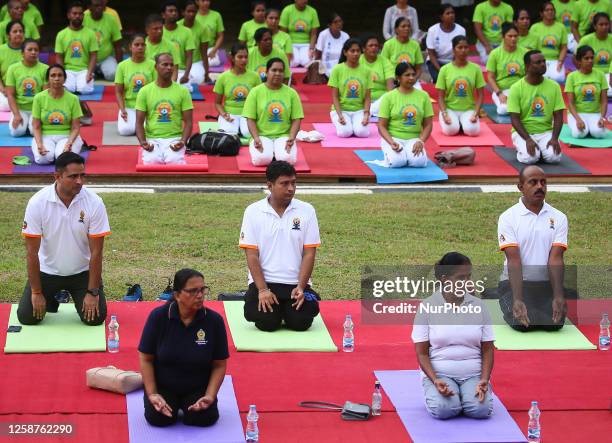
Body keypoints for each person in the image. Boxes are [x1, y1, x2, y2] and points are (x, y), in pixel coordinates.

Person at [18, 151, 109, 326]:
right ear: (57, 176)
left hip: (82, 273)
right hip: (47, 272)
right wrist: (36, 292)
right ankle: (50, 299)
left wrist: (93, 292)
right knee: (27, 318)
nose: (80, 181)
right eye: (73, 176)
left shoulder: (94, 202)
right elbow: (31, 253)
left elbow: (97, 252)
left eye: (83, 175)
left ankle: (68, 295)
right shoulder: (37, 202)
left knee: (95, 319)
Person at [139, 268, 228, 427]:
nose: (200, 295)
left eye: (203, 289)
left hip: (198, 386)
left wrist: (210, 395)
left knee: (204, 418)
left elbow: (219, 364)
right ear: (177, 295)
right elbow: (146, 358)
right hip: (164, 385)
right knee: (158, 419)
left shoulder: (214, 321)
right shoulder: (158, 317)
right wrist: (153, 394)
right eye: (193, 291)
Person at [239, 160, 321, 332]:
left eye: (293, 183)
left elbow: (309, 254)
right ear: (270, 185)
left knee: (301, 323)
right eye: (284, 184)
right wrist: (262, 290)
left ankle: (296, 303)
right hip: (265, 282)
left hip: (295, 285)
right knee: (267, 323)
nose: (291, 188)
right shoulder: (253, 211)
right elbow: (252, 255)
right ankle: (270, 305)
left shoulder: (307, 210)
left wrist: (301, 286)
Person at [412, 252, 494, 420]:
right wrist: (435, 380)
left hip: (473, 374)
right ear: (444, 279)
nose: (466, 283)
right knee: (444, 410)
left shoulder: (479, 306)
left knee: (480, 410)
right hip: (440, 373)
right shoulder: (427, 307)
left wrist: (484, 379)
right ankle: (436, 392)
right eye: (460, 278)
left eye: (468, 277)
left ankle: (465, 395)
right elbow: (422, 353)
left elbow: (488, 349)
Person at [497, 166, 570, 332]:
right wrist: (517, 299)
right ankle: (506, 298)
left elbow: (556, 259)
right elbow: (514, 260)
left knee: (554, 325)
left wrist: (558, 295)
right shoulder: (508, 218)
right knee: (523, 325)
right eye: (533, 182)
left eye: (543, 182)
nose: (540, 187)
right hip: (515, 284)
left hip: (545, 285)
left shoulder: (559, 217)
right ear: (521, 187)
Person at [508, 50, 565, 164]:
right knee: (530, 159)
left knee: (554, 158)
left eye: (544, 61)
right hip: (524, 133)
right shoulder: (516, 88)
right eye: (538, 62)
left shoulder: (554, 86)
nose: (543, 64)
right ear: (528, 66)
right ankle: (522, 150)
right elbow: (514, 119)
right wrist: (528, 139)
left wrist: (554, 138)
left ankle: (541, 151)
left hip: (545, 132)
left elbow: (559, 116)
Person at [243, 58, 303, 166]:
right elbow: (250, 119)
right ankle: (271, 153)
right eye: (274, 70)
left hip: (283, 135)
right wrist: (256, 138)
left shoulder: (292, 93)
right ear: (266, 72)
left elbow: (296, 119)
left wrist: (291, 138)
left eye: (280, 71)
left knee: (288, 160)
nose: (277, 73)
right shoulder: (255, 92)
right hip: (262, 136)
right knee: (261, 160)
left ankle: (276, 153)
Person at [136, 53, 193, 165]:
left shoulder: (183, 91)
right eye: (165, 64)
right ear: (156, 67)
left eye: (172, 65)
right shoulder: (144, 91)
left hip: (174, 138)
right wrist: (143, 142)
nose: (169, 68)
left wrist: (182, 141)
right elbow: (139, 123)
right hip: (152, 139)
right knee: (152, 162)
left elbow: (189, 122)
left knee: (174, 162)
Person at [377, 63, 432, 168]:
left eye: (413, 74)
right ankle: (395, 154)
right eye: (407, 75)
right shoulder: (388, 97)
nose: (411, 78)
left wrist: (421, 141)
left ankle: (408, 155)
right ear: (398, 78)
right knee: (397, 162)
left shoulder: (423, 96)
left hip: (414, 138)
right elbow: (381, 126)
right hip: (394, 138)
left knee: (418, 163)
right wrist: (391, 142)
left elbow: (428, 124)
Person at [30, 64, 84, 164]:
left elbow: (76, 127)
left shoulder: (73, 99)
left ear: (64, 78)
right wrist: (39, 144)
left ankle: (71, 147)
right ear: (48, 79)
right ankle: (50, 151)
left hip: (67, 136)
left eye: (60, 75)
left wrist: (69, 143)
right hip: (45, 135)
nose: (56, 78)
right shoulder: (39, 98)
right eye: (53, 75)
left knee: (63, 159)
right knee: (43, 159)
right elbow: (36, 126)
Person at [436, 35, 485, 137]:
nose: (463, 50)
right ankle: (456, 124)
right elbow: (440, 96)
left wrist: (476, 113)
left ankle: (463, 124)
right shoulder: (444, 69)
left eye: (466, 47)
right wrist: (444, 113)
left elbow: (480, 95)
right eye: (460, 47)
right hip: (449, 109)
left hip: (468, 109)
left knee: (472, 132)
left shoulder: (476, 69)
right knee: (451, 131)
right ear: (454, 50)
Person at [328, 38, 372, 138]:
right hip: (341, 110)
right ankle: (346, 124)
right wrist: (340, 115)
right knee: (344, 133)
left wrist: (366, 114)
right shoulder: (337, 69)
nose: (356, 54)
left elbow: (368, 97)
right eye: (352, 51)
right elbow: (335, 97)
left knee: (362, 133)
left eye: (358, 51)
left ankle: (354, 124)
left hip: (359, 110)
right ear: (345, 52)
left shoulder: (367, 71)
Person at [214, 42, 260, 138]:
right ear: (232, 58)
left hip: (248, 113)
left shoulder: (255, 76)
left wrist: (255, 116)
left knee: (248, 134)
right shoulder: (223, 77)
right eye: (240, 57)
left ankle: (242, 128)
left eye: (246, 57)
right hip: (230, 114)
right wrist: (224, 114)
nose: (244, 60)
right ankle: (236, 128)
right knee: (228, 134)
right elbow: (217, 103)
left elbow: (259, 100)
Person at [114, 34, 156, 136]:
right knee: (125, 131)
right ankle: (135, 125)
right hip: (129, 107)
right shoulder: (122, 66)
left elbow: (157, 88)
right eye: (136, 45)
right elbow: (118, 92)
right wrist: (122, 109)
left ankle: (139, 126)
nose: (140, 47)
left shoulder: (153, 64)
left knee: (150, 130)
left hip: (147, 107)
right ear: (130, 47)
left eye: (142, 45)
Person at [5, 38, 47, 137]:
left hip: (37, 109)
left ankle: (30, 126)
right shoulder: (13, 69)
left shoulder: (45, 69)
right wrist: (16, 115)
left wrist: (41, 114)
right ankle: (25, 124)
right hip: (20, 109)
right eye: (30, 49)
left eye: (36, 50)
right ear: (22, 53)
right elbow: (10, 94)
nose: (33, 52)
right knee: (17, 132)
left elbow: (45, 95)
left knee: (34, 132)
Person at [55, 2, 98, 95]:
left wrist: (89, 73)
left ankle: (79, 85)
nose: (77, 16)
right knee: (65, 89)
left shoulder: (90, 34)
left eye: (80, 14)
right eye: (74, 13)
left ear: (83, 15)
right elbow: (59, 57)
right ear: (69, 15)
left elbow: (94, 56)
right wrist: (62, 73)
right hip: (68, 70)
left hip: (84, 70)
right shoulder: (61, 34)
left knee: (84, 89)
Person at [565, 45, 608, 138]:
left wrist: (602, 118)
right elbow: (570, 104)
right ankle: (585, 128)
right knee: (579, 134)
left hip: (595, 113)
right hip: (577, 114)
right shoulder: (571, 76)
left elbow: (604, 101)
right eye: (586, 58)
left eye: (592, 58)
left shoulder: (600, 75)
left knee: (598, 133)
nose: (590, 61)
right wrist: (578, 119)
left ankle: (591, 128)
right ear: (579, 60)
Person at [486, 23, 527, 115]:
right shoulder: (495, 54)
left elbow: (529, 75)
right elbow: (490, 77)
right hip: (502, 90)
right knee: (503, 110)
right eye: (510, 36)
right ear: (503, 36)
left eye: (515, 36)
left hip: (521, 90)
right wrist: (499, 93)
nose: (513, 39)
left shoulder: (525, 52)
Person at [426, 4, 466, 83]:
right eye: (448, 13)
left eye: (452, 13)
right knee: (439, 79)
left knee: (458, 80)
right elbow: (431, 54)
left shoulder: (461, 30)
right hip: (436, 63)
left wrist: (452, 68)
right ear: (441, 17)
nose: (451, 15)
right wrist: (441, 70)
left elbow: (461, 52)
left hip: (454, 62)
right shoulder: (432, 30)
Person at [84, 0, 122, 81]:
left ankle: (99, 72)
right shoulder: (83, 17)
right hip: (88, 58)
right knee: (83, 77)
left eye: (101, 6)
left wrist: (120, 67)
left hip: (106, 58)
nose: (99, 8)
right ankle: (97, 72)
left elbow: (118, 45)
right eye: (96, 6)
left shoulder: (111, 19)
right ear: (89, 8)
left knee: (114, 74)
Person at [161, 1, 195, 92]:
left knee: (184, 90)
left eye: (175, 11)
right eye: (170, 11)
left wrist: (186, 75)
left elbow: (189, 56)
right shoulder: (159, 31)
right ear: (163, 15)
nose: (174, 13)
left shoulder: (187, 32)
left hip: (180, 71)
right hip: (160, 69)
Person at [530, 2, 567, 83]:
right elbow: (532, 48)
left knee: (558, 78)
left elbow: (564, 47)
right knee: (540, 78)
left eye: (552, 10)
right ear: (541, 13)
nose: (550, 12)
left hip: (555, 60)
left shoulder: (561, 27)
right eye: (547, 10)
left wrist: (560, 62)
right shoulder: (534, 27)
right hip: (539, 60)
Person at [382, 18, 424, 87]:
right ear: (396, 30)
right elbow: (383, 66)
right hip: (393, 81)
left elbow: (418, 69)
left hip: (411, 80)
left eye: (408, 26)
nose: (407, 28)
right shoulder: (388, 44)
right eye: (403, 26)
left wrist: (414, 79)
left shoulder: (415, 45)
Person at [360, 34, 394, 118]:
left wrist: (390, 99)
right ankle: (372, 112)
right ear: (363, 48)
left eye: (376, 45)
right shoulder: (357, 61)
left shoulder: (385, 61)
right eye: (371, 45)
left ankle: (368, 112)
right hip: (362, 99)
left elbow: (390, 86)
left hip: (380, 100)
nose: (374, 48)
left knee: (389, 96)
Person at [578, 12, 612, 95]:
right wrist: (584, 73)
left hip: (609, 74)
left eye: (606, 24)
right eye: (601, 24)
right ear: (594, 26)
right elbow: (576, 58)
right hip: (592, 73)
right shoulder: (585, 40)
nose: (604, 27)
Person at [279, 0, 319, 68]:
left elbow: (314, 34)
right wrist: (286, 49)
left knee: (308, 62)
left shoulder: (312, 11)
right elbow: (283, 33)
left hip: (306, 44)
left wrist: (311, 49)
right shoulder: (287, 10)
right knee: (293, 62)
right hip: (291, 43)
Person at [473, 0, 514, 64]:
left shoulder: (508, 8)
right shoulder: (480, 7)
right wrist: (487, 46)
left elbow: (509, 29)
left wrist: (504, 45)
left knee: (507, 61)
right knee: (488, 61)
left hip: (502, 42)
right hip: (485, 43)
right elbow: (478, 29)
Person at [179, 0, 209, 86]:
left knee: (199, 79)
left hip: (195, 63)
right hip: (178, 64)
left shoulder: (202, 28)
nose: (191, 14)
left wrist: (206, 73)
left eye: (193, 11)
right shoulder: (176, 26)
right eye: (188, 11)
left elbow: (204, 53)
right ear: (183, 12)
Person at [0, 20, 26, 112]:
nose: (18, 34)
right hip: (4, 90)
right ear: (8, 35)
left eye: (21, 31)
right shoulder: (1, 50)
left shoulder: (29, 49)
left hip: (24, 90)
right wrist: (3, 89)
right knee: (4, 105)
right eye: (15, 31)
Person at [144, 14, 179, 82]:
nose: (159, 31)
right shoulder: (141, 46)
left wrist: (169, 86)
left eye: (161, 28)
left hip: (166, 83)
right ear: (147, 30)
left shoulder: (172, 46)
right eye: (156, 29)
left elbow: (175, 71)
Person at [314, 13, 349, 78]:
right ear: (329, 25)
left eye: (340, 21)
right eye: (335, 22)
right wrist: (318, 70)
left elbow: (348, 54)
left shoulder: (346, 36)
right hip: (327, 65)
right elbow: (318, 54)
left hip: (342, 64)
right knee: (334, 74)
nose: (339, 24)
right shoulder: (323, 35)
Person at [195, 0, 224, 72]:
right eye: (203, 0)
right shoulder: (193, 15)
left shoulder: (216, 15)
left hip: (210, 49)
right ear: (197, 2)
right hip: (195, 49)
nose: (206, 3)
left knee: (214, 62)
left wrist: (214, 50)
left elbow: (221, 36)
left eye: (207, 0)